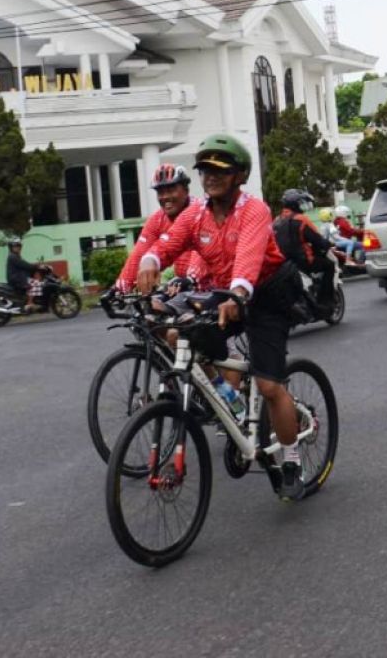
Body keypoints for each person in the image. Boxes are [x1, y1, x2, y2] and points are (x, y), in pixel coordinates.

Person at [135, 133, 307, 500]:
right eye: (204, 170)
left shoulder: (254, 209)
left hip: (266, 292)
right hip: (224, 290)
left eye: (220, 170)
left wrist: (240, 292)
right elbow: (167, 243)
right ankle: (230, 397)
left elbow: (248, 257)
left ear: (240, 175)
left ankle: (291, 458)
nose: (210, 176)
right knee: (175, 333)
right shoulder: (196, 213)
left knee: (269, 385)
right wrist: (150, 262)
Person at [114, 164, 206, 294]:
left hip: (210, 284)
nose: (165, 197)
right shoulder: (157, 219)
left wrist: (191, 278)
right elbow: (139, 254)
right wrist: (120, 287)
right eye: (160, 192)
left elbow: (202, 252)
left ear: (186, 190)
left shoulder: (202, 212)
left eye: (171, 190)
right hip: (182, 285)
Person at [273, 188, 334, 307]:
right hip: (303, 261)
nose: (302, 206)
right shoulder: (301, 219)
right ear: (294, 204)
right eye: (300, 203)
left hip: (283, 264)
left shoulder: (276, 221)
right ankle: (325, 301)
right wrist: (327, 244)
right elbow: (317, 239)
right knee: (329, 266)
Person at [5, 237, 50, 313]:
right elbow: (24, 265)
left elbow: (25, 264)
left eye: (19, 246)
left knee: (34, 281)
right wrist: (37, 267)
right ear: (11, 247)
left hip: (18, 277)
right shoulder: (13, 257)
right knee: (36, 283)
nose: (18, 247)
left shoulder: (15, 256)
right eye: (15, 246)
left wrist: (36, 265)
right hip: (17, 279)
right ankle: (30, 303)